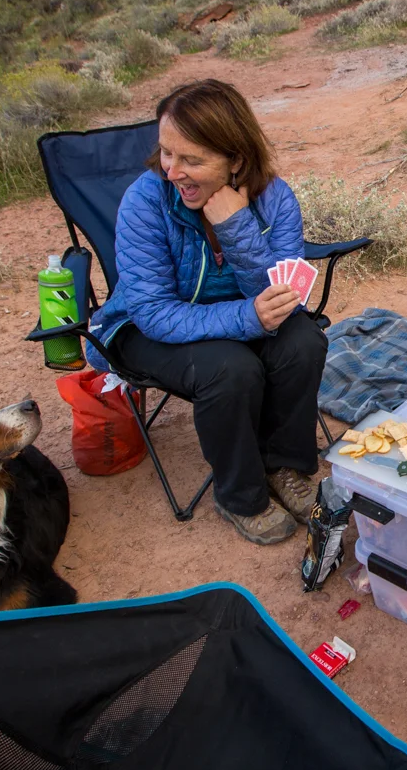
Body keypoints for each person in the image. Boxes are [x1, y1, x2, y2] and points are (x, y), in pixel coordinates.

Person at [85, 79, 325, 545]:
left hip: (238, 313)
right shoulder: (145, 200)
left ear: (236, 159)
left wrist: (236, 226)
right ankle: (240, 495)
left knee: (303, 342)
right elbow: (152, 310)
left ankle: (283, 467)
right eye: (167, 153)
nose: (174, 171)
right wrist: (248, 319)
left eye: (192, 160)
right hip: (142, 327)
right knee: (230, 367)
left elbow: (280, 294)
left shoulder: (275, 198)